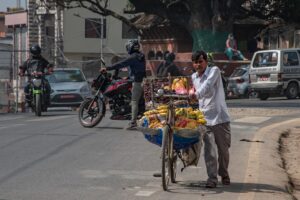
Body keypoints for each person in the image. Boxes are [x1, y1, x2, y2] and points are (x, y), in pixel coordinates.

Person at [190, 50, 231, 188]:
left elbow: (206, 87)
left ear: (206, 62)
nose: (198, 65)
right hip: (205, 119)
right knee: (210, 151)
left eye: (200, 61)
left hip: (220, 117)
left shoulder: (214, 71)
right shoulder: (193, 77)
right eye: (195, 62)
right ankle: (212, 179)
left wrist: (196, 95)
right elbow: (195, 93)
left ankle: (224, 173)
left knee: (223, 151)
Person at [104, 39, 146, 130]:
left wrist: (107, 68)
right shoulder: (141, 56)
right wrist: (127, 79)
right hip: (143, 81)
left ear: (130, 47)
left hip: (137, 82)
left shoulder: (133, 57)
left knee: (134, 101)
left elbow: (121, 64)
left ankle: (133, 122)